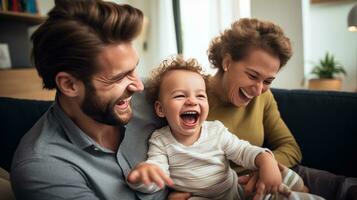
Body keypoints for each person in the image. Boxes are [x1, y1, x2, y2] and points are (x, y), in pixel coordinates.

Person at [10, 0, 169, 199]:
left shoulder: (153, 97)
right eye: (119, 77)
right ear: (69, 85)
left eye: (135, 68)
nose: (138, 86)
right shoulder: (42, 168)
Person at [126, 56, 324, 200]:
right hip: (201, 197)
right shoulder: (160, 141)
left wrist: (265, 159)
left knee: (278, 172)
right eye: (180, 96)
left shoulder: (215, 131)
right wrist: (142, 177)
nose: (192, 102)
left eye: (200, 96)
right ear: (160, 109)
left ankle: (300, 190)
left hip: (238, 191)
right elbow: (157, 174)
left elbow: (243, 150)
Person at [205, 18, 357, 200]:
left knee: (347, 187)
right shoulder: (190, 95)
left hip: (275, 172)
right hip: (229, 189)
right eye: (253, 75)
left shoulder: (263, 97)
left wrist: (264, 165)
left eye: (268, 81)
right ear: (227, 62)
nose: (259, 89)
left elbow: (290, 148)